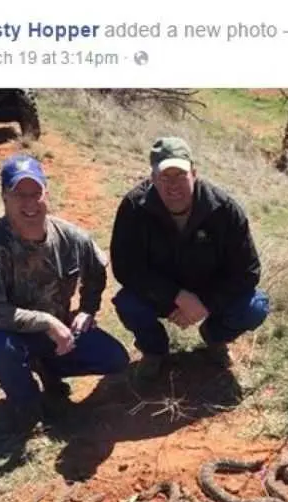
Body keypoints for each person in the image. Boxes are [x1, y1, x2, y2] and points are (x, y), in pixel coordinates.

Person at [0, 154, 130, 430]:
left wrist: (88, 309)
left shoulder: (70, 236)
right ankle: (27, 403)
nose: (30, 203)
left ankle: (48, 368)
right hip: (14, 337)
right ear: (5, 198)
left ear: (46, 193)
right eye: (20, 195)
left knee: (115, 359)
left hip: (58, 333)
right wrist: (47, 322)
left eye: (36, 193)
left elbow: (97, 269)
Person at [110, 136, 269, 380]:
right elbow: (125, 268)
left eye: (180, 176)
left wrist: (205, 303)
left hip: (209, 293)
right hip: (163, 294)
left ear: (194, 173)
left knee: (255, 306)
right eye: (165, 177)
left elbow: (248, 271)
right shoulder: (134, 207)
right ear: (153, 179)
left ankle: (215, 337)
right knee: (127, 303)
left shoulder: (225, 209)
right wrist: (177, 296)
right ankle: (154, 350)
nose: (173, 186)